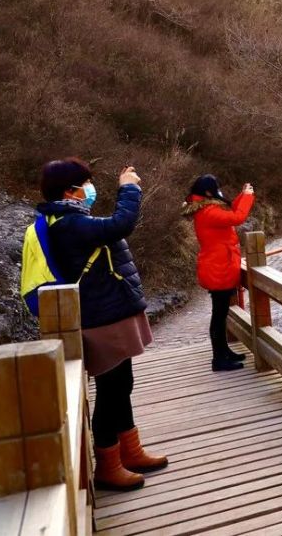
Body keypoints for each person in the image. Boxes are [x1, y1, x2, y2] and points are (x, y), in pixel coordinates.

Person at [37, 158, 167, 492]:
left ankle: (130, 451)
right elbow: (120, 224)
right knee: (110, 393)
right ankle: (109, 465)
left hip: (109, 313)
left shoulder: (72, 218)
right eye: (86, 183)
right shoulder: (66, 223)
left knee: (122, 385)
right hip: (101, 318)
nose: (90, 189)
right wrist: (128, 187)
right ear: (70, 190)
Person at [182, 175, 255, 371]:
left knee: (221, 314)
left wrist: (243, 194)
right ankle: (218, 359)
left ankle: (223, 352)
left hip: (218, 265)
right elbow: (237, 217)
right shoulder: (208, 212)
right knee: (219, 315)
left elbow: (230, 209)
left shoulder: (206, 208)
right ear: (208, 192)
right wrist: (247, 197)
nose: (219, 191)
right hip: (218, 268)